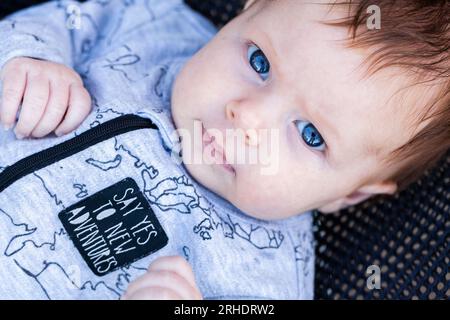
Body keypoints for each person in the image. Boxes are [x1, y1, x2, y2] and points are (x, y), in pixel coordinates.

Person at [0, 0, 448, 299]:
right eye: (260, 62)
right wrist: (32, 60)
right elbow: (68, 17)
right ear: (247, 11)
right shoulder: (153, 24)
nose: (247, 118)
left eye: (311, 134)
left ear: (349, 195)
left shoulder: (265, 278)